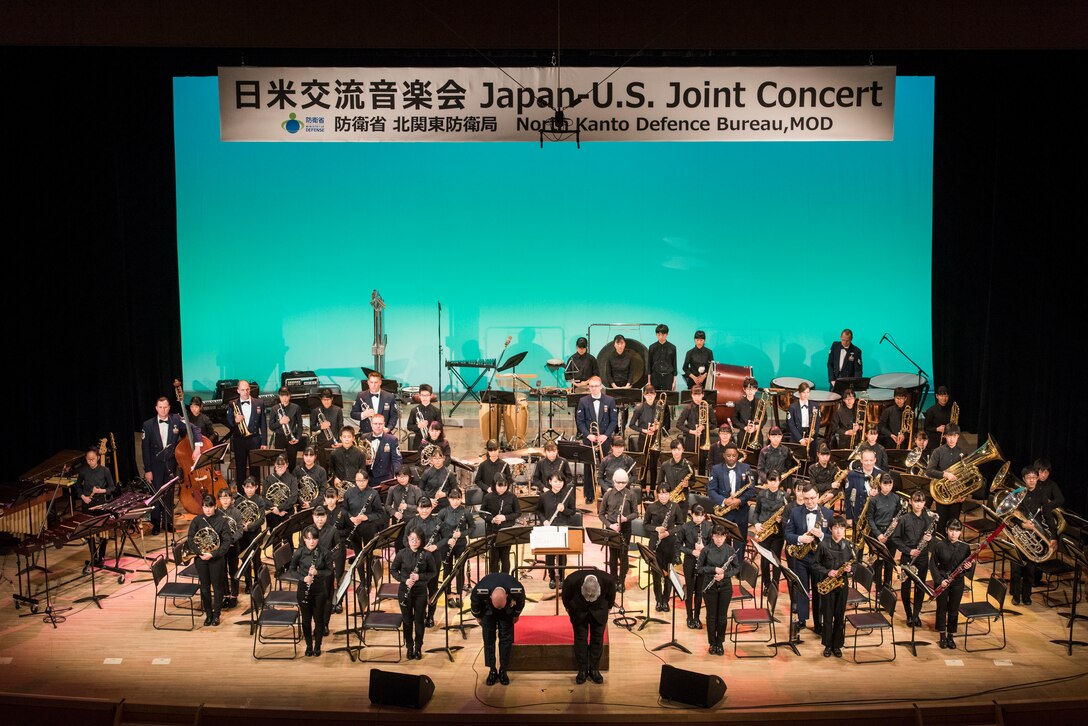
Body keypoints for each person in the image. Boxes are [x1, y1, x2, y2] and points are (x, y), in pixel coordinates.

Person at [142, 396, 202, 535]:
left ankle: (168, 523)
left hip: (170, 464)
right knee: (156, 494)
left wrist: (198, 447)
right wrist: (148, 470)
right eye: (160, 407)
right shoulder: (148, 425)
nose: (163, 410)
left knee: (169, 495)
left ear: (169, 407)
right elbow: (145, 449)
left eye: (166, 407)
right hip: (155, 465)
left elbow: (195, 429)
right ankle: (156, 523)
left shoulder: (175, 419)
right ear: (156, 408)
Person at [1009, 466, 1061, 606]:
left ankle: (1026, 596)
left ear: (1037, 479)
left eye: (1034, 478)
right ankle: (1015, 595)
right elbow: (1010, 516)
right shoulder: (1018, 494)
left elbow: (1049, 517)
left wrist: (1053, 536)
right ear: (1024, 479)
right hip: (1019, 535)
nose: (1031, 480)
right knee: (1016, 569)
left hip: (1035, 537)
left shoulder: (1042, 496)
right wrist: (1021, 524)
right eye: (1028, 478)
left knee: (1030, 570)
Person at [784, 484, 833, 634]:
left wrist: (822, 535)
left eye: (812, 498)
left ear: (818, 496)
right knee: (802, 590)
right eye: (806, 499)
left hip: (820, 560)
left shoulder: (828, 514)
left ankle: (819, 624)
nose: (810, 502)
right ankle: (802, 620)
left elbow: (835, 538)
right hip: (801, 558)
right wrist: (800, 538)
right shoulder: (795, 512)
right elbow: (787, 534)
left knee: (819, 591)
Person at [561, 569, 616, 685]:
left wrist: (607, 609)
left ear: (599, 589)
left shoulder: (608, 580)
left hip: (599, 610)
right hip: (578, 609)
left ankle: (595, 669)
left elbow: (611, 598)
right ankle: (582, 670)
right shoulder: (571, 580)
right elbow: (565, 597)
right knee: (581, 639)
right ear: (582, 588)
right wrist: (569, 608)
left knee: (597, 639)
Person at [471, 571, 526, 686]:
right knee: (488, 639)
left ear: (507, 595)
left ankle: (503, 670)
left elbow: (520, 602)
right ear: (490, 596)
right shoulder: (480, 589)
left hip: (506, 611)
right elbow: (475, 604)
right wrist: (478, 617)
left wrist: (516, 614)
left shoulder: (516, 588)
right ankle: (492, 669)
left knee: (506, 640)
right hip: (488, 610)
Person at [391, 526, 437, 660]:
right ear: (407, 540)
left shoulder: (427, 554)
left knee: (419, 621)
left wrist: (420, 577)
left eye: (417, 539)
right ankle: (409, 647)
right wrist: (404, 580)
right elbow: (393, 570)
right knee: (407, 621)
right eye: (412, 539)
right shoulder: (401, 554)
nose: (414, 541)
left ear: (421, 540)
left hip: (420, 591)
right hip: (404, 591)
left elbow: (433, 572)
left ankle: (418, 647)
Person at [890, 491, 935, 627]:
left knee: (920, 587)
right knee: (905, 586)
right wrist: (909, 550)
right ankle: (909, 615)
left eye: (921, 502)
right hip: (907, 557)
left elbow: (933, 542)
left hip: (922, 557)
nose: (918, 504)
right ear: (911, 502)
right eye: (916, 501)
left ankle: (916, 615)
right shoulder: (904, 519)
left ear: (924, 503)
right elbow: (895, 538)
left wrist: (930, 539)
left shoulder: (929, 519)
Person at [812, 515, 854, 658]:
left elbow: (853, 564)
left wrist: (850, 569)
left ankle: (837, 645)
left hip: (842, 584)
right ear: (830, 529)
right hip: (828, 585)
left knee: (839, 615)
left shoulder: (848, 545)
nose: (839, 531)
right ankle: (828, 645)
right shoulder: (823, 545)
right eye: (836, 528)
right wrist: (827, 571)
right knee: (828, 616)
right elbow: (815, 564)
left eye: (841, 528)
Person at [697, 522, 742, 655]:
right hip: (709, 587)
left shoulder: (730, 550)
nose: (719, 539)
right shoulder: (706, 550)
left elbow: (737, 568)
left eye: (722, 536)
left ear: (725, 536)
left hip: (725, 587)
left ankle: (720, 643)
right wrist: (713, 569)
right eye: (716, 536)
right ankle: (712, 643)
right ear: (712, 536)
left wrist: (725, 575)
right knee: (711, 617)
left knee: (722, 617)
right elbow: (699, 569)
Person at [188, 494, 231, 627]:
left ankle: (216, 615)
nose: (207, 510)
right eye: (205, 507)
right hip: (201, 559)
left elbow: (226, 542)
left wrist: (212, 554)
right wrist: (200, 553)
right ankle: (208, 614)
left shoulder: (222, 521)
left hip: (216, 559)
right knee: (205, 588)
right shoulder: (197, 520)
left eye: (210, 507)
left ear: (215, 506)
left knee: (217, 587)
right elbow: (190, 540)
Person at [930, 517, 973, 648]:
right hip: (942, 581)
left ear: (960, 532)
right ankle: (942, 635)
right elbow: (932, 565)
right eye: (951, 530)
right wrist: (939, 581)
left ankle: (951, 636)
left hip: (957, 582)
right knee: (941, 609)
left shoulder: (965, 547)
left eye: (957, 531)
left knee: (954, 610)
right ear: (946, 531)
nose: (954, 533)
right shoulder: (939, 545)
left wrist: (969, 567)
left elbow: (969, 566)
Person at [401, 497, 442, 627]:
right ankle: (420, 614)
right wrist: (416, 548)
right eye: (421, 507)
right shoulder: (412, 522)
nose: (424, 511)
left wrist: (435, 546)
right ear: (417, 508)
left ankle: (430, 616)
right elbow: (404, 541)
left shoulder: (437, 521)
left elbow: (446, 537)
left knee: (432, 588)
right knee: (419, 589)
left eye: (427, 507)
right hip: (416, 560)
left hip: (433, 559)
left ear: (431, 508)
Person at [576, 376, 617, 504]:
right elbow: (580, 421)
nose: (593, 388)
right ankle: (589, 494)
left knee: (606, 467)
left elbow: (613, 421)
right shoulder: (583, 401)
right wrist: (588, 435)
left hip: (604, 439)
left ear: (600, 386)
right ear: (589, 387)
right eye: (591, 386)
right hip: (589, 439)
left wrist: (605, 435)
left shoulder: (610, 400)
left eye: (596, 386)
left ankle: (606, 493)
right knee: (588, 467)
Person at [291, 525, 331, 656]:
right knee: (306, 620)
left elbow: (330, 571)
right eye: (308, 539)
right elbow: (291, 570)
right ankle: (309, 646)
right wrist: (303, 578)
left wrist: (317, 572)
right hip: (304, 590)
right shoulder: (299, 553)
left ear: (318, 539)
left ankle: (317, 646)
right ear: (304, 539)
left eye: (314, 538)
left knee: (319, 620)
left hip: (320, 591)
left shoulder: (324, 552)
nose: (311, 541)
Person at [642, 484, 683, 612]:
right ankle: (658, 601)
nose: (663, 496)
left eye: (666, 493)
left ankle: (666, 601)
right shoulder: (652, 507)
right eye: (661, 493)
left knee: (668, 574)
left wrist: (668, 533)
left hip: (669, 543)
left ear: (669, 494)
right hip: (655, 543)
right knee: (656, 574)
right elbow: (645, 525)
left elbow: (681, 525)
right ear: (657, 494)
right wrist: (656, 528)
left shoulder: (675, 507)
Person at [707, 443, 754, 550]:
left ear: (737, 455)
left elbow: (751, 490)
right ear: (724, 455)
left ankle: (739, 566)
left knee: (740, 544)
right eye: (728, 455)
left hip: (741, 512)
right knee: (722, 544)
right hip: (724, 513)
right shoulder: (716, 469)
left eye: (734, 455)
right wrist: (724, 501)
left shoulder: (746, 468)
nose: (731, 458)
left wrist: (739, 500)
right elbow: (711, 491)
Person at [749, 469, 790, 595]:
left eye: (775, 481)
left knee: (776, 560)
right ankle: (766, 585)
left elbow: (788, 516)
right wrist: (756, 523)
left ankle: (775, 584)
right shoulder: (761, 495)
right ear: (767, 481)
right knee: (765, 561)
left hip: (777, 533)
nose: (773, 484)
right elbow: (756, 512)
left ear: (779, 481)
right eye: (771, 481)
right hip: (764, 531)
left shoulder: (785, 497)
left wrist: (781, 519)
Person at [599, 468, 640, 590]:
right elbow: (601, 514)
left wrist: (625, 519)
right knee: (612, 555)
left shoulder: (631, 494)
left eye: (623, 482)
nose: (620, 485)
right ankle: (613, 579)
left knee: (623, 555)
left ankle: (621, 580)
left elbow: (636, 513)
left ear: (626, 482)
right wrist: (610, 525)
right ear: (613, 481)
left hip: (625, 527)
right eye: (618, 482)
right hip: (612, 527)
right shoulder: (608, 494)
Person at [74, 447, 116, 565]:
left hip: (101, 504)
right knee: (90, 532)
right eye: (88, 459)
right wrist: (83, 497)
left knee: (103, 531)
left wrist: (101, 491)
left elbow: (112, 488)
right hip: (87, 504)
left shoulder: (105, 470)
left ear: (98, 458)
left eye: (93, 459)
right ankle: (93, 557)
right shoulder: (83, 471)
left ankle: (101, 557)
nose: (91, 461)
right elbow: (77, 487)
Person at [925, 423, 968, 534]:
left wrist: (963, 494)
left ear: (958, 436)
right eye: (949, 436)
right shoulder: (938, 451)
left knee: (954, 525)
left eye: (954, 436)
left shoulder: (963, 453)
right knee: (941, 524)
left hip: (956, 495)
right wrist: (945, 475)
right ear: (945, 436)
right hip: (941, 494)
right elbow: (929, 470)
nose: (951, 439)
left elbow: (967, 477)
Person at [438, 488, 475, 608]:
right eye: (453, 499)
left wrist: (461, 534)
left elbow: (472, 528)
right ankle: (448, 596)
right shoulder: (443, 512)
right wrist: (447, 539)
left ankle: (459, 596)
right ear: (448, 499)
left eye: (458, 499)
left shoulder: (466, 512)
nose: (455, 502)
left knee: (460, 570)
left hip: (460, 544)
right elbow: (437, 529)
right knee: (447, 570)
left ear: (461, 499)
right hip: (446, 545)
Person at [677, 504, 712, 629]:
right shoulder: (685, 527)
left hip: (703, 562)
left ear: (704, 516)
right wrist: (691, 551)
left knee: (699, 591)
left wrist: (704, 549)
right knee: (690, 590)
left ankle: (697, 617)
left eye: (701, 516)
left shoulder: (709, 527)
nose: (698, 519)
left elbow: (713, 546)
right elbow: (678, 545)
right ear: (691, 514)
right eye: (696, 515)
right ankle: (689, 617)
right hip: (690, 561)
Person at [537, 473, 575, 588]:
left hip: (563, 527)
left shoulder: (568, 495)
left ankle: (562, 578)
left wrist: (564, 510)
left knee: (562, 555)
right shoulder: (544, 496)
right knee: (550, 555)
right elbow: (539, 511)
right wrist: (544, 521)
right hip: (550, 528)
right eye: (555, 481)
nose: (558, 484)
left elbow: (573, 511)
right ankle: (552, 577)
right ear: (549, 482)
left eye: (560, 481)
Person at [868, 472, 903, 593]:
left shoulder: (896, 498)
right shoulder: (874, 500)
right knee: (878, 563)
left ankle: (887, 586)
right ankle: (878, 588)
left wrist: (895, 524)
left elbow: (899, 516)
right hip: (878, 533)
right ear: (880, 484)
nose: (887, 487)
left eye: (890, 484)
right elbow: (870, 519)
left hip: (891, 534)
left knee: (889, 561)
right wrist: (878, 534)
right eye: (885, 484)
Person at [224, 380, 263, 485]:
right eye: (242, 390)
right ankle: (241, 493)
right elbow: (228, 421)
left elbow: (263, 424)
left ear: (249, 389)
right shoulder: (232, 404)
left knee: (255, 468)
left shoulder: (259, 403)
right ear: (238, 391)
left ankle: (256, 494)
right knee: (240, 468)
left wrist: (264, 442)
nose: (245, 392)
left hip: (254, 440)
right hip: (239, 440)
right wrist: (235, 421)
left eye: (247, 389)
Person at [311, 504, 343, 628]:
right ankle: (317, 624)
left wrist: (328, 558)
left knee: (327, 598)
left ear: (326, 517)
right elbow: (302, 550)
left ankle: (325, 624)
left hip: (327, 570)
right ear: (313, 517)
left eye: (322, 516)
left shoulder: (332, 530)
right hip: (312, 571)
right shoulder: (308, 531)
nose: (320, 519)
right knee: (313, 600)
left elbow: (338, 549)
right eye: (317, 517)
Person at [233, 477, 266, 595]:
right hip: (242, 535)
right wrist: (242, 526)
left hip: (255, 533)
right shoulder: (238, 501)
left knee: (256, 559)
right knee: (245, 559)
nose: (249, 490)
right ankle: (248, 584)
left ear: (256, 487)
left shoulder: (260, 501)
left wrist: (250, 526)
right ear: (243, 488)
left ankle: (258, 582)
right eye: (247, 487)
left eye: (252, 487)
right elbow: (236, 517)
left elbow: (261, 519)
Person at [481, 477, 521, 574]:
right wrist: (492, 519)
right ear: (495, 485)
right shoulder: (488, 497)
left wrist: (505, 517)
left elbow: (518, 513)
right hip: (492, 530)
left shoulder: (512, 497)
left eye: (505, 486)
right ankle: (495, 580)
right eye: (500, 485)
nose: (502, 488)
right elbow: (482, 513)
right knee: (494, 558)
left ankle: (505, 579)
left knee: (505, 557)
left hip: (506, 530)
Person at [216, 487, 243, 609]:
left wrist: (231, 540)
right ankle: (226, 595)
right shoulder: (217, 512)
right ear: (219, 500)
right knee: (222, 572)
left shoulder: (236, 512)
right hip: (221, 548)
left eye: (227, 497)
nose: (225, 500)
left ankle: (234, 596)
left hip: (233, 546)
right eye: (222, 498)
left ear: (231, 499)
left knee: (233, 572)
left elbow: (240, 530)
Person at [385, 465, 423, 551]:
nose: (402, 479)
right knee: (398, 545)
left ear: (409, 477)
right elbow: (387, 505)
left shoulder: (415, 489)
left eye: (404, 476)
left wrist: (407, 506)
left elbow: (420, 508)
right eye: (399, 476)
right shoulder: (392, 489)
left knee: (411, 546)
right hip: (398, 521)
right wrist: (394, 513)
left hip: (412, 521)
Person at [350, 370, 398, 436]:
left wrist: (388, 428)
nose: (373, 385)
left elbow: (394, 416)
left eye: (376, 382)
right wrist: (364, 414)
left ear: (380, 382)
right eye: (371, 382)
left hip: (384, 432)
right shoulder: (361, 396)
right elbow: (353, 414)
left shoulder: (389, 397)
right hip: (366, 433)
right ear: (368, 382)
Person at [843, 448, 881, 527]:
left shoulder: (881, 474)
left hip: (876, 515)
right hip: (858, 513)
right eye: (866, 460)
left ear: (875, 460)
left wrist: (879, 493)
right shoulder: (853, 474)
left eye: (871, 460)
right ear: (861, 461)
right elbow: (847, 497)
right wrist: (849, 517)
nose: (868, 463)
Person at [270, 386, 304, 469]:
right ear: (279, 396)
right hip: (279, 437)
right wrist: (280, 422)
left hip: (292, 437)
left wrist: (298, 438)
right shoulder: (274, 409)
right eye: (282, 396)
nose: (284, 398)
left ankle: (292, 480)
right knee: (279, 461)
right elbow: (271, 426)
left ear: (290, 396)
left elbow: (300, 424)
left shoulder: (296, 407)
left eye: (287, 396)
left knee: (292, 462)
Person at [262, 454, 298, 534]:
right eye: (278, 465)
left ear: (287, 465)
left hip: (287, 512)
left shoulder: (292, 479)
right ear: (274, 465)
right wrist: (275, 510)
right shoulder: (268, 479)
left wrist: (279, 508)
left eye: (283, 465)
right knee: (274, 542)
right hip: (272, 514)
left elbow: (293, 498)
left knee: (288, 541)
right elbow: (264, 497)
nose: (280, 467)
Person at [310, 387, 344, 467]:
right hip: (322, 443)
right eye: (324, 399)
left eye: (328, 399)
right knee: (323, 465)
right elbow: (312, 427)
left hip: (334, 443)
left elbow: (341, 426)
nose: (326, 401)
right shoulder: (316, 411)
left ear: (332, 399)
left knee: (336, 466)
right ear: (321, 400)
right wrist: (320, 427)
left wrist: (340, 441)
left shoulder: (338, 410)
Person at [676, 384, 715, 454]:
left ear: (703, 395)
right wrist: (692, 431)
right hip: (691, 440)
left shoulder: (708, 408)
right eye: (695, 395)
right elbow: (679, 424)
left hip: (704, 438)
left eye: (699, 395)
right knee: (692, 461)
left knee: (703, 460)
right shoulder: (688, 408)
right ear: (692, 395)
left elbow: (714, 424)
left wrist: (703, 427)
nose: (697, 398)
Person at [364, 413, 401, 486]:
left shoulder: (392, 439)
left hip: (384, 478)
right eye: (375, 423)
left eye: (380, 424)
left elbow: (397, 459)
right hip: (366, 477)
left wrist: (397, 475)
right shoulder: (364, 437)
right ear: (371, 424)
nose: (378, 426)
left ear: (384, 424)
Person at [786, 381, 821, 456]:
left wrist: (811, 437)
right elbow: (791, 425)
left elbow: (817, 424)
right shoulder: (792, 407)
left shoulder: (815, 406)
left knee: (811, 459)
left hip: (810, 437)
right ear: (799, 393)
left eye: (808, 392)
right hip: (797, 437)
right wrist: (800, 439)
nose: (806, 395)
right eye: (803, 392)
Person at [407, 384, 442, 451]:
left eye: (427, 395)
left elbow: (440, 427)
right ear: (419, 396)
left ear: (431, 396)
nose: (424, 398)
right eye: (422, 395)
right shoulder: (414, 410)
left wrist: (432, 429)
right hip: (418, 442)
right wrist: (418, 426)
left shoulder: (436, 411)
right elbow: (409, 426)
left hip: (433, 441)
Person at [923, 386, 955, 454]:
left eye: (946, 396)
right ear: (937, 396)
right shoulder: (931, 410)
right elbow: (926, 428)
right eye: (942, 396)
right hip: (935, 441)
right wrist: (937, 429)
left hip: (948, 439)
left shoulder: (951, 410)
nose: (944, 398)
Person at [734, 377, 763, 451]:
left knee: (756, 457)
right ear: (744, 389)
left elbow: (764, 418)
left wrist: (756, 427)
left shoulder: (761, 403)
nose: (750, 392)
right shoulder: (739, 403)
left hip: (757, 434)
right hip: (743, 434)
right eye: (748, 389)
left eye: (752, 389)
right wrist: (744, 427)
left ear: (756, 390)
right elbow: (734, 419)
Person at [647, 323, 677, 392]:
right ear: (656, 335)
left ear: (667, 334)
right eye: (658, 335)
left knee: (667, 398)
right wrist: (649, 381)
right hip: (655, 376)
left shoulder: (672, 347)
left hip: (668, 377)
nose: (660, 337)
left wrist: (674, 381)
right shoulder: (652, 347)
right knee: (655, 397)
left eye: (663, 335)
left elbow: (674, 365)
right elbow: (649, 365)